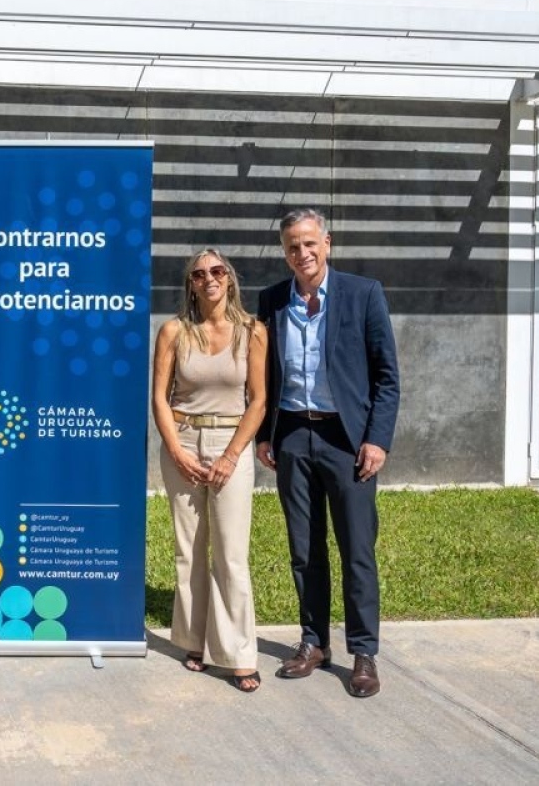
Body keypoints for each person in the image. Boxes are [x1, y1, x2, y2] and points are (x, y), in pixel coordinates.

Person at [255, 208, 400, 698]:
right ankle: (314, 642)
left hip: (347, 439)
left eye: (310, 243)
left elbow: (387, 377)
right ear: (285, 252)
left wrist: (376, 439)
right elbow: (265, 375)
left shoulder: (364, 294)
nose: (303, 253)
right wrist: (264, 435)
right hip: (293, 433)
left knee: (357, 548)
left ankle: (363, 652)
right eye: (293, 246)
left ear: (328, 243)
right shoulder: (272, 301)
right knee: (304, 549)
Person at [152, 249, 267, 693]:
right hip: (181, 442)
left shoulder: (253, 332)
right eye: (199, 274)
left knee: (231, 553)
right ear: (191, 285)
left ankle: (238, 653)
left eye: (217, 271)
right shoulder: (174, 331)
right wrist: (177, 451)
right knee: (189, 550)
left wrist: (231, 455)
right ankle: (194, 641)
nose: (209, 279)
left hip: (229, 444)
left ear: (230, 279)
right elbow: (160, 397)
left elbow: (257, 400)